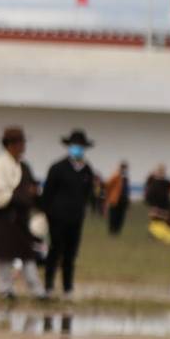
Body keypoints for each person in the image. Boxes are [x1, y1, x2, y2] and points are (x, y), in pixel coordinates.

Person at [0, 125, 43, 300]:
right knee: (4, 256)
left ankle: (36, 290)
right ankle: (5, 289)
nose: (22, 146)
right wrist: (22, 195)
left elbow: (32, 187)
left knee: (27, 254)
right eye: (19, 143)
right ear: (10, 145)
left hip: (20, 219)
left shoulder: (24, 166)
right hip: (3, 217)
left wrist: (30, 194)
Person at [40, 128, 99, 298]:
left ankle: (67, 288)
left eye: (80, 146)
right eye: (75, 145)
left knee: (70, 255)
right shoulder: (57, 168)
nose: (77, 149)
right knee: (54, 252)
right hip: (57, 219)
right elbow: (47, 194)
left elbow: (90, 194)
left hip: (76, 219)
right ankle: (48, 286)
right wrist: (47, 214)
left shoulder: (87, 170)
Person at [105, 162, 132, 236]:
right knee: (113, 215)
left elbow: (127, 189)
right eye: (123, 168)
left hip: (123, 199)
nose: (124, 170)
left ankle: (117, 231)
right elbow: (108, 185)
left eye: (126, 168)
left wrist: (128, 198)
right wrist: (110, 195)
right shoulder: (116, 175)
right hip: (115, 199)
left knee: (121, 216)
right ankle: (112, 230)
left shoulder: (126, 178)